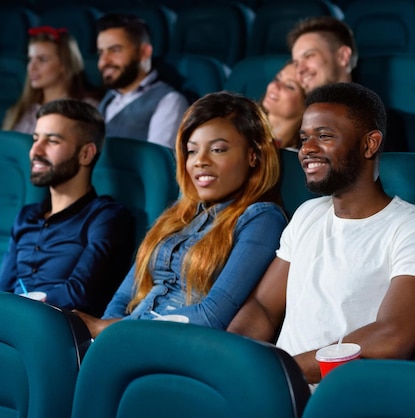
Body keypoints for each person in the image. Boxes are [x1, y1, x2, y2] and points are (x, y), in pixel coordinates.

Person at [227, 82, 415, 385]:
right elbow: (263, 307)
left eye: (325, 136)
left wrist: (281, 372)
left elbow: (393, 335)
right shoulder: (308, 213)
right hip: (275, 390)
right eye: (304, 138)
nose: (307, 149)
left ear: (370, 144)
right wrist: (235, 361)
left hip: (340, 398)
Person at [74, 91, 287, 337]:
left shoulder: (262, 219)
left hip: (177, 349)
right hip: (125, 338)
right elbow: (123, 297)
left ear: (253, 155)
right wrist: (102, 335)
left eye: (217, 150)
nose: (200, 161)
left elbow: (212, 316)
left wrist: (108, 329)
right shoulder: (178, 213)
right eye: (192, 151)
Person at [0, 99, 135, 316]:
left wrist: (17, 309)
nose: (35, 150)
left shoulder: (107, 217)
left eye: (52, 141)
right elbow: (3, 287)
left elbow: (80, 293)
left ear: (86, 154)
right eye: (35, 139)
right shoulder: (27, 215)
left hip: (60, 331)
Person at [96, 13, 188, 150]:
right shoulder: (109, 98)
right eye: (100, 53)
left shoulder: (169, 101)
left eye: (115, 50)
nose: (103, 62)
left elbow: (158, 164)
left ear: (144, 52)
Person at [2, 26, 100, 134]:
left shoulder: (88, 110)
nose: (32, 67)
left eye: (42, 59)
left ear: (64, 64)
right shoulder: (22, 110)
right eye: (30, 59)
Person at [287, 16, 358, 94]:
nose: (300, 70)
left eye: (309, 56)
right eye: (296, 64)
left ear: (343, 56)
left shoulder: (370, 105)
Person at [261, 61, 306, 149]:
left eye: (289, 86)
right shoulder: (240, 127)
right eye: (277, 79)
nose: (275, 85)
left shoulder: (302, 155)